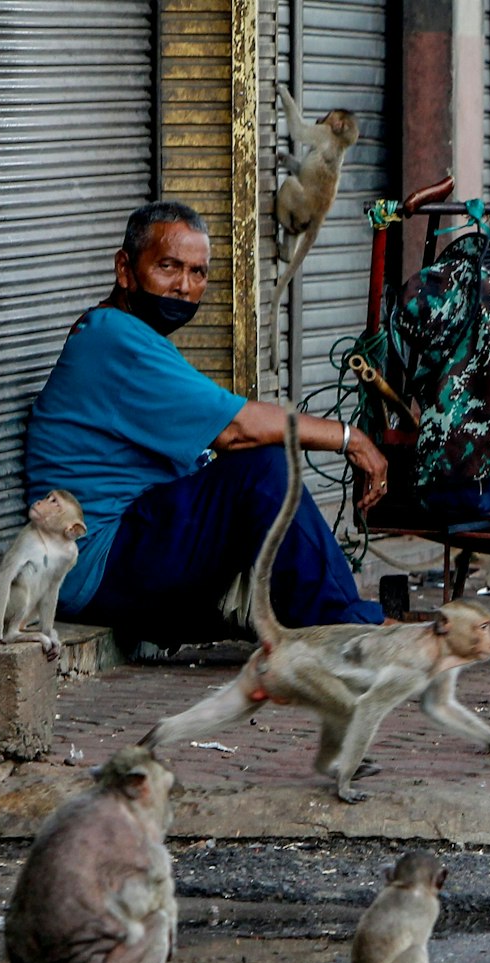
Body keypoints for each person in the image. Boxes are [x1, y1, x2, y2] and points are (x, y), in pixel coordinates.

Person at [26, 201, 389, 646]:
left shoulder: (122, 335)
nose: (184, 286)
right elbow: (238, 429)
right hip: (97, 564)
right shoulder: (113, 339)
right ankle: (350, 633)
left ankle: (308, 622)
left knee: (246, 479)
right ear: (125, 268)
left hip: (113, 563)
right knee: (264, 470)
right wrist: (350, 439)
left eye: (198, 273)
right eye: (168, 266)